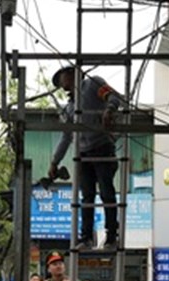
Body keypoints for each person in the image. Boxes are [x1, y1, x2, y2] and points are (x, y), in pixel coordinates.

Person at [50, 66, 123, 250]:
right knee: (87, 197)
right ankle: (87, 237)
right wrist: (54, 162)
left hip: (102, 147)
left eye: (63, 77)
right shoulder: (69, 108)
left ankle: (112, 236)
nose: (62, 83)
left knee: (107, 193)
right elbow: (66, 137)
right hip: (83, 154)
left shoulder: (93, 84)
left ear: (73, 74)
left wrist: (109, 110)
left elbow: (114, 97)